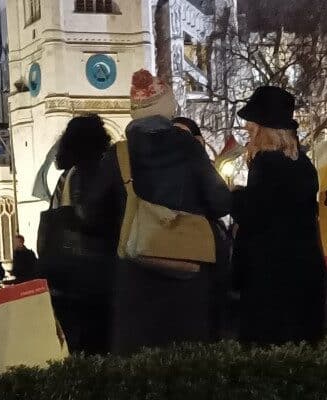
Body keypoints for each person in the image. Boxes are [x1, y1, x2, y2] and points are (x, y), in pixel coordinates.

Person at [81, 70, 231, 354]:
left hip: (135, 283)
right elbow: (221, 202)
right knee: (190, 367)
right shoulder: (188, 148)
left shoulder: (118, 156)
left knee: (139, 372)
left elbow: (91, 215)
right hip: (189, 276)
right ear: (166, 108)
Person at [231, 86, 327, 346]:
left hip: (270, 276)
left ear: (263, 130)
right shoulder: (303, 165)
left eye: (252, 128)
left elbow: (256, 216)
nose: (248, 133)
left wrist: (235, 197)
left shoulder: (266, 164)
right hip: (304, 270)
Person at [40, 114, 115, 355]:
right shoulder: (101, 172)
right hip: (97, 277)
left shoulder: (65, 177)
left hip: (64, 280)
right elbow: (94, 218)